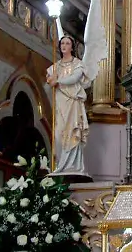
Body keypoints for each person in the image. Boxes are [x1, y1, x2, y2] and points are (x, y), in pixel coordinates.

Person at [46, 35, 91, 176]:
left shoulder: (78, 63)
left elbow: (74, 78)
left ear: (72, 47)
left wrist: (57, 81)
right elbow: (48, 79)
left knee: (72, 132)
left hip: (73, 103)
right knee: (59, 134)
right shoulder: (55, 66)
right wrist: (51, 79)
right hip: (60, 103)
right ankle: (61, 165)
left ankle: (73, 166)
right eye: (62, 43)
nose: (64, 45)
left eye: (67, 43)